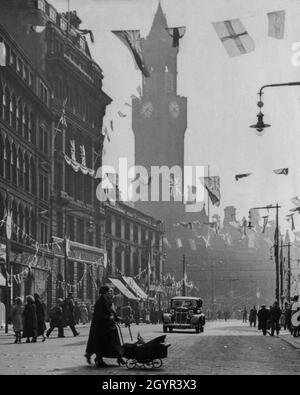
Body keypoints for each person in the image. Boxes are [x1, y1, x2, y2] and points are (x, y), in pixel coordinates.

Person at [84, 286, 125, 368]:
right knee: (100, 344)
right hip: (100, 327)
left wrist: (120, 319)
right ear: (105, 293)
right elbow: (98, 315)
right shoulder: (99, 302)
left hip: (109, 326)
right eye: (110, 292)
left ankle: (119, 357)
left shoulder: (109, 301)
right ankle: (98, 359)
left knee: (114, 342)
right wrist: (108, 317)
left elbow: (113, 313)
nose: (112, 293)